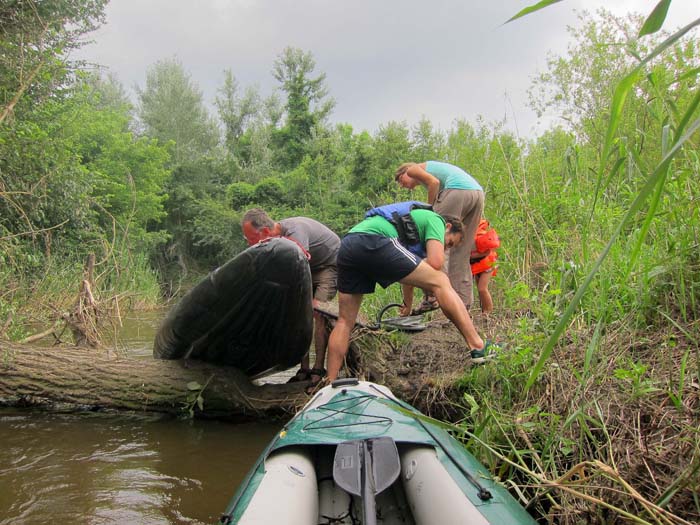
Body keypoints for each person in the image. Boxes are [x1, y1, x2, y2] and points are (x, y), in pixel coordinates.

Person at [325, 204, 497, 384]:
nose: (446, 248)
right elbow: (436, 262)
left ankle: (330, 382)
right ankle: (478, 347)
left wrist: (407, 305)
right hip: (374, 239)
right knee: (441, 281)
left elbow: (407, 276)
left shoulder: (411, 229)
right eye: (450, 242)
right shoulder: (436, 220)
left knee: (345, 321)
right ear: (448, 228)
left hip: (349, 244)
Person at [241, 208, 340, 387]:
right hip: (311, 267)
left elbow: (299, 264)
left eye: (251, 239)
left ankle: (318, 370)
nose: (250, 245)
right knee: (300, 315)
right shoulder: (273, 241)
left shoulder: (295, 231)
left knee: (317, 313)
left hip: (329, 266)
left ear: (264, 232)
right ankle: (303, 369)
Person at [395, 161, 484, 312]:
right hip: (477, 194)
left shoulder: (412, 170)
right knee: (461, 251)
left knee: (436, 244)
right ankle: (463, 304)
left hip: (456, 192)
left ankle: (433, 297)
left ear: (404, 172)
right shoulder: (432, 168)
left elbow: (434, 182)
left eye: (400, 180)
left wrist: (429, 211)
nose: (402, 185)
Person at [470, 219, 500, 314]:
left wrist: (469, 256)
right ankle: (484, 311)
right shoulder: (471, 234)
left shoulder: (480, 234)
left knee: (482, 288)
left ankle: (488, 314)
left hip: (488, 265)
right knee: (480, 290)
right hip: (479, 265)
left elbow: (487, 252)